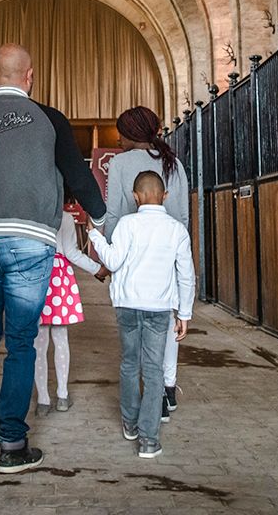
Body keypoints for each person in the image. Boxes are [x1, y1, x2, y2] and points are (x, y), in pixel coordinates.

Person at [0, 43, 107, 474]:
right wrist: (101, 220)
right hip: (31, 241)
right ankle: (13, 443)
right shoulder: (50, 120)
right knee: (23, 340)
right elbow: (77, 173)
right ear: (30, 76)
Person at [87, 170, 195, 458]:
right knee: (154, 369)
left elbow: (112, 260)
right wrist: (184, 312)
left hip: (127, 305)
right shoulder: (176, 230)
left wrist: (95, 237)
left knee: (129, 363)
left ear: (135, 197)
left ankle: (130, 423)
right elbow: (187, 275)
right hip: (160, 309)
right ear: (166, 197)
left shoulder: (127, 223)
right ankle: (149, 439)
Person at [103, 105, 190, 419]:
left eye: (120, 133)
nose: (118, 139)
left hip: (132, 255)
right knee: (166, 323)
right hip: (168, 251)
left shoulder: (120, 163)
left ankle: (140, 396)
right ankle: (167, 391)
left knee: (134, 329)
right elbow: (182, 216)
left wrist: (110, 258)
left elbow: (114, 214)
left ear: (130, 134)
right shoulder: (174, 163)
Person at [33, 206, 107, 416]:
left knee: (39, 343)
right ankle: (63, 396)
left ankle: (43, 400)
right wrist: (97, 269)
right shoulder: (64, 216)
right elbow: (71, 252)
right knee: (60, 338)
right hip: (58, 277)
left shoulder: (33, 213)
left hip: (35, 274)